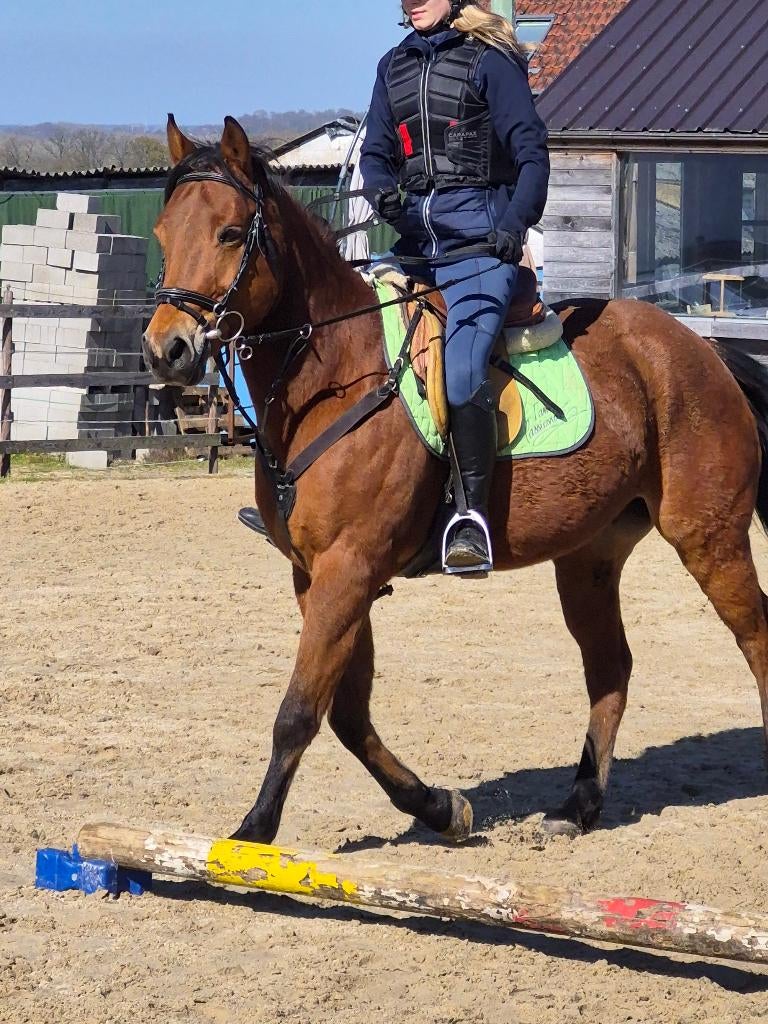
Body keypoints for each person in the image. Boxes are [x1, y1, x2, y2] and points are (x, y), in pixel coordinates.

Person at [361, 0, 549, 574]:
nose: (410, 1)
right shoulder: (391, 65)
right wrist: (383, 193)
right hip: (415, 250)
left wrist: (512, 227)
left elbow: (532, 154)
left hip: (481, 250)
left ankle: (471, 518)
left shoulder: (491, 61)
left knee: (463, 371)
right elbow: (374, 153)